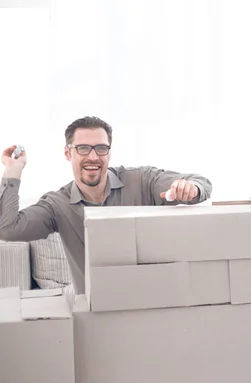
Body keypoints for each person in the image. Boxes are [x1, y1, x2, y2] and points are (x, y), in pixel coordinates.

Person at [0, 116, 212, 294]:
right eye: (83, 148)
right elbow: (7, 230)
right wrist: (13, 171)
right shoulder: (57, 205)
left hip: (152, 302)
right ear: (68, 153)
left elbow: (201, 183)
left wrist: (191, 188)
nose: (93, 157)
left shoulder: (142, 181)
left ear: (109, 152)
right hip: (95, 315)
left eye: (101, 148)